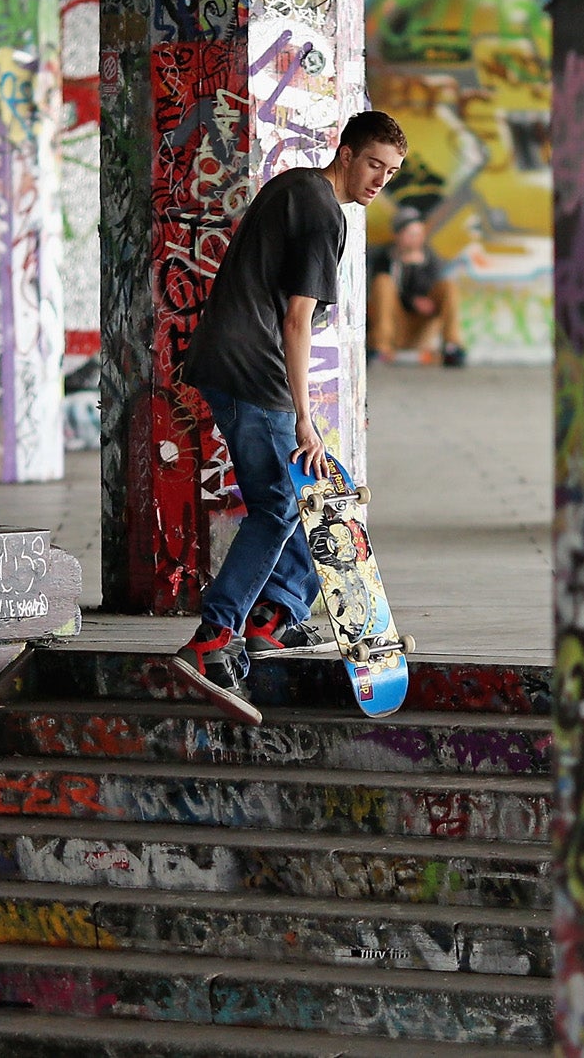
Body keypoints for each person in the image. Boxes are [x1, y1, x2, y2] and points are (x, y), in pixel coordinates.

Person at [173, 110, 410, 716]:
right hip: (255, 371)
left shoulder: (294, 185)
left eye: (392, 172)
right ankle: (215, 638)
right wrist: (305, 414)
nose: (380, 180)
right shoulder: (324, 211)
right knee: (283, 502)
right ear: (348, 153)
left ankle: (276, 616)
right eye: (374, 165)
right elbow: (297, 319)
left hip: (228, 362)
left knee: (319, 492)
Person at [368, 206, 465, 366]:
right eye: (410, 234)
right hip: (394, 325)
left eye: (419, 234)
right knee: (382, 281)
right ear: (397, 235)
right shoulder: (386, 258)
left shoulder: (430, 258)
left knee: (448, 286)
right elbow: (381, 295)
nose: (416, 239)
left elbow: (435, 292)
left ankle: (452, 345)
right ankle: (380, 347)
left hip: (422, 326)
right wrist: (411, 300)